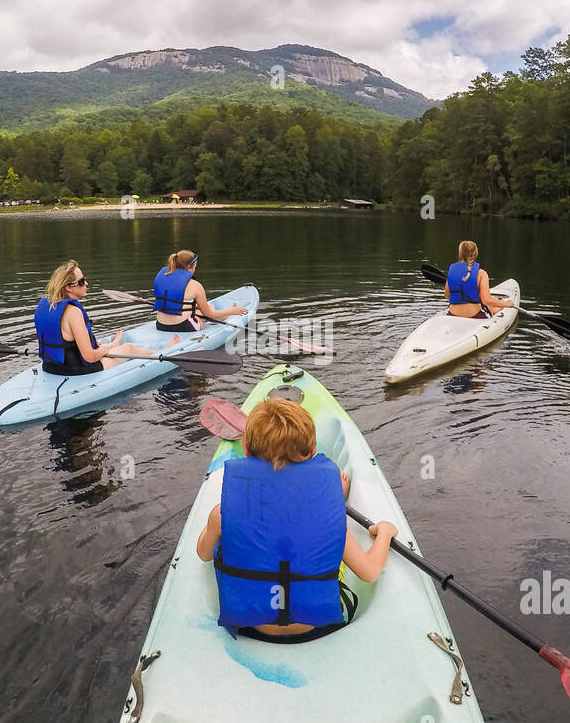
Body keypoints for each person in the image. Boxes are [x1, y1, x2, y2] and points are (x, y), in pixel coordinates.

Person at [195, 398, 398, 642]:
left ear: (246, 451)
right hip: (315, 628)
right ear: (312, 452)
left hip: (251, 628)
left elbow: (204, 554)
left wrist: (220, 521)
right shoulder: (329, 518)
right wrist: (383, 530)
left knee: (225, 540)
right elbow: (369, 572)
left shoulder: (221, 514)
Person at [35, 260, 169, 376]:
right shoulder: (73, 312)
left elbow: (69, 344)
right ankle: (162, 353)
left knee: (105, 346)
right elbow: (90, 356)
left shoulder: (47, 305)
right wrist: (105, 350)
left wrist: (110, 346)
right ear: (69, 288)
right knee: (128, 348)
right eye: (81, 281)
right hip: (75, 370)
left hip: (50, 367)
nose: (86, 283)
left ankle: (113, 345)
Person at [153, 249, 248, 333]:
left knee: (200, 310)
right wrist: (231, 311)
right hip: (183, 326)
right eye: (195, 267)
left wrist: (198, 307)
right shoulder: (195, 285)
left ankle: (214, 312)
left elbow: (175, 302)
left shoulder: (163, 277)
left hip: (161, 325)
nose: (194, 270)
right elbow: (209, 314)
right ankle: (225, 315)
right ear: (189, 268)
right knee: (204, 312)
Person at [444, 240, 515, 319]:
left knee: (487, 301)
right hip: (474, 315)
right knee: (492, 307)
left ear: (460, 254)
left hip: (453, 313)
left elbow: (447, 296)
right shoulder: (481, 273)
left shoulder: (452, 271)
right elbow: (487, 300)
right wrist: (506, 304)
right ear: (476, 254)